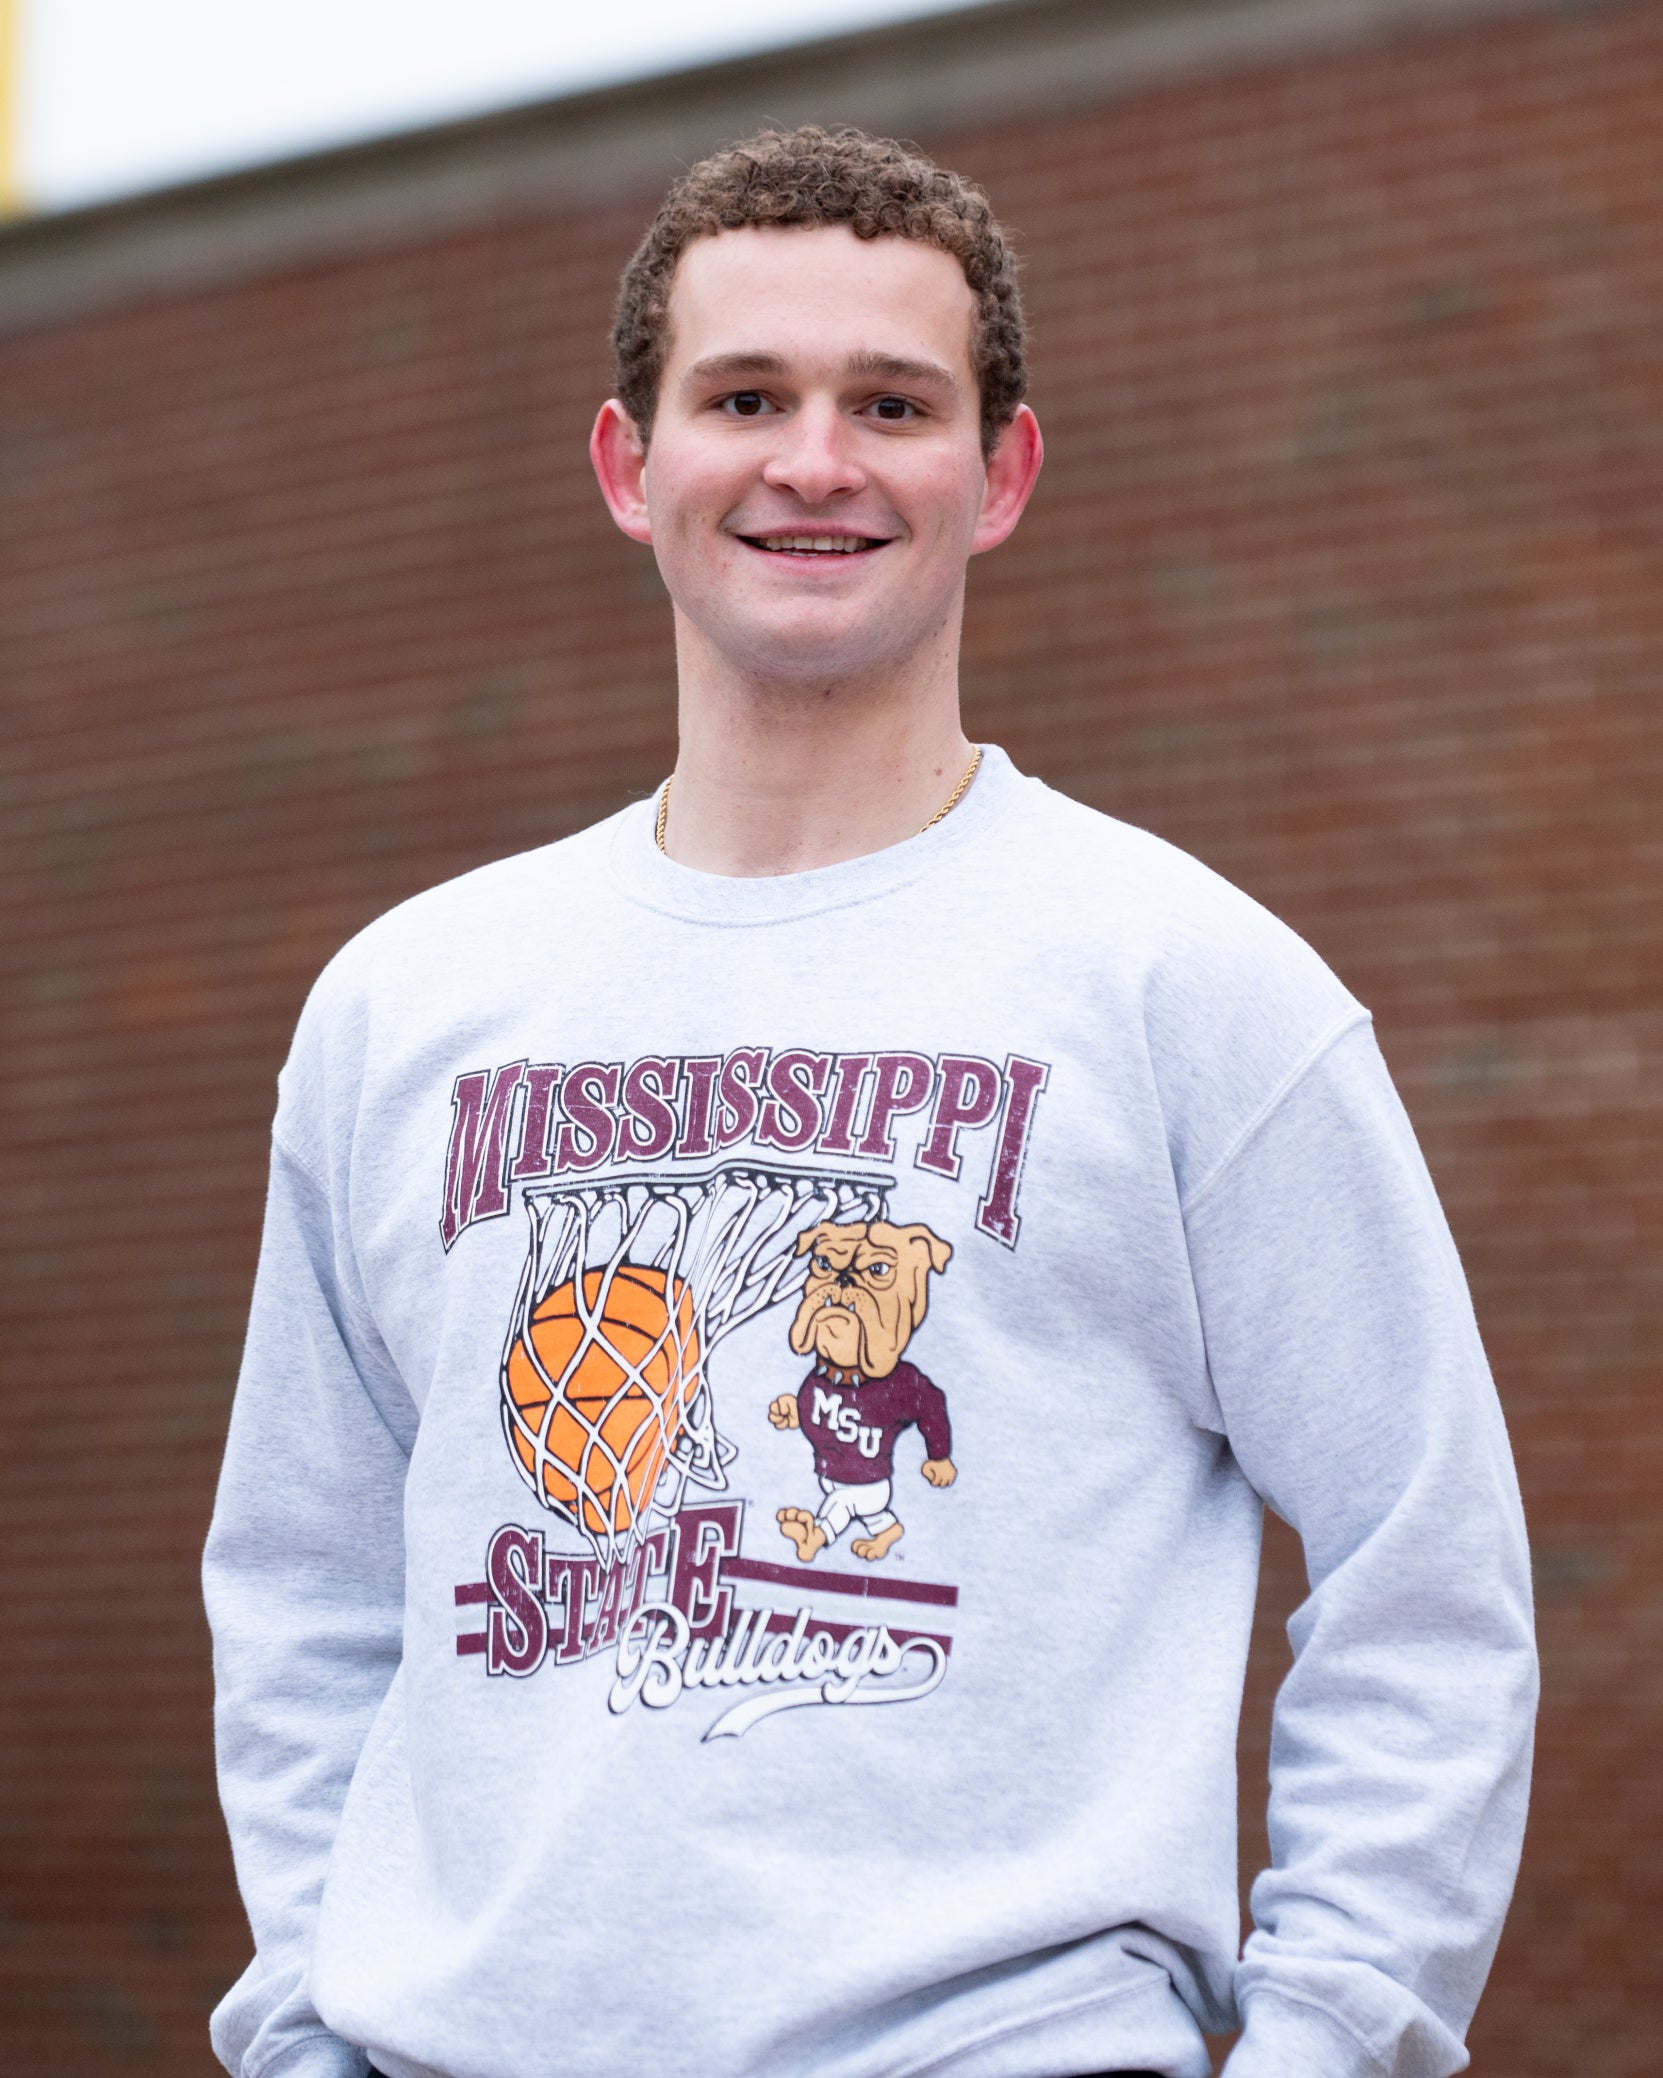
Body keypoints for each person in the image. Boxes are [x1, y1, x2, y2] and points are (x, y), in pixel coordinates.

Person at [204, 126, 1536, 2078]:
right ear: (627, 464)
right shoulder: (406, 1007)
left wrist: (1328, 2040)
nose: (812, 460)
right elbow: (306, 1590)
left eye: (888, 404)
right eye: (744, 396)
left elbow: (1428, 1573)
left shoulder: (1186, 985)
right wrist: (314, 2027)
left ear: (995, 475)